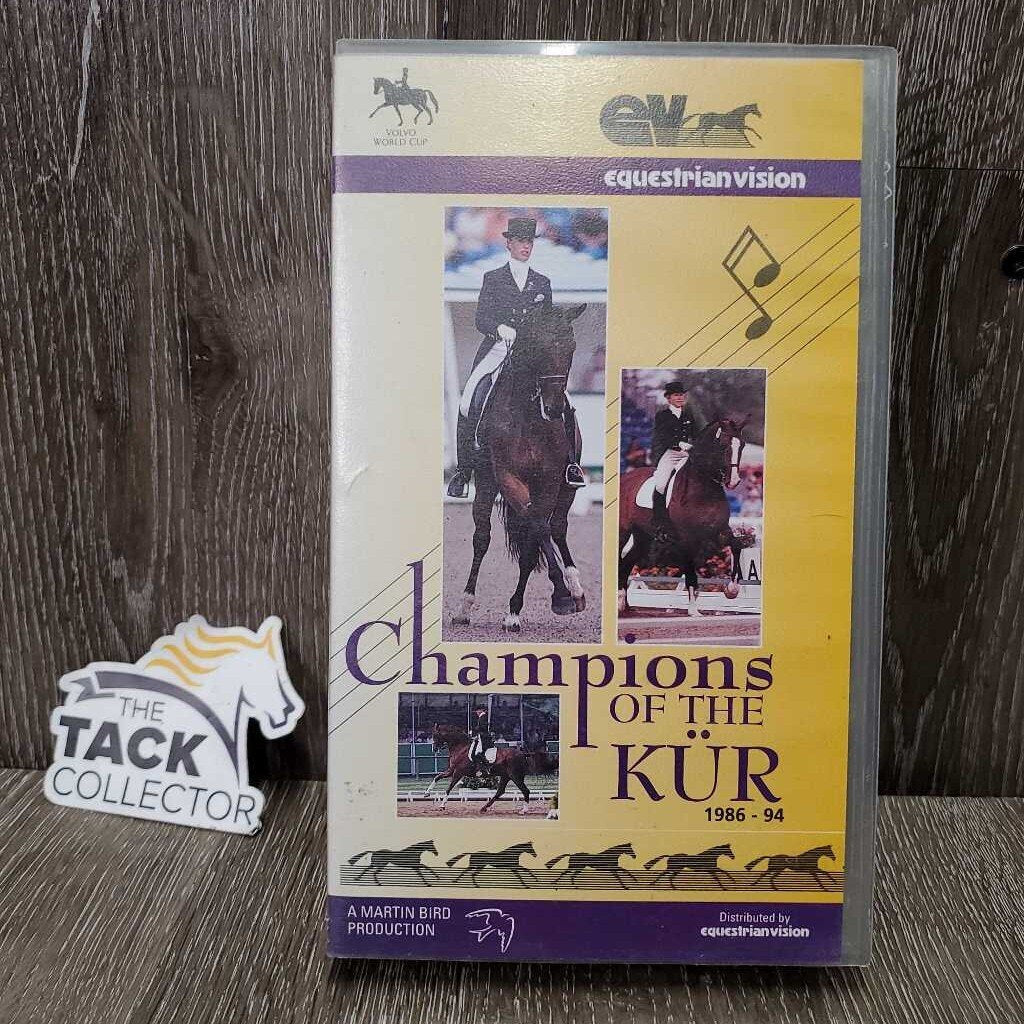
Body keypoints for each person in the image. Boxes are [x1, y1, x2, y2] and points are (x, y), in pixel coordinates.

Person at [447, 216, 587, 497]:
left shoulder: (542, 282)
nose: (526, 247)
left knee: (564, 402)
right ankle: (463, 470)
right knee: (468, 399)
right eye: (521, 241)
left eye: (530, 242)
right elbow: (482, 318)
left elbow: (548, 321)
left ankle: (571, 464)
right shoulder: (493, 278)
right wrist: (499, 328)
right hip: (498, 348)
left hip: (532, 356)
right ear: (509, 243)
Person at [649, 381, 698, 540]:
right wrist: (678, 443)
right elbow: (663, 437)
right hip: (670, 453)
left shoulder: (688, 415)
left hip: (686, 454)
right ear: (669, 398)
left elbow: (696, 434)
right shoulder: (662, 416)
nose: (680, 398)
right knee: (661, 484)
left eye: (682, 395)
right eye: (677, 395)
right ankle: (659, 522)